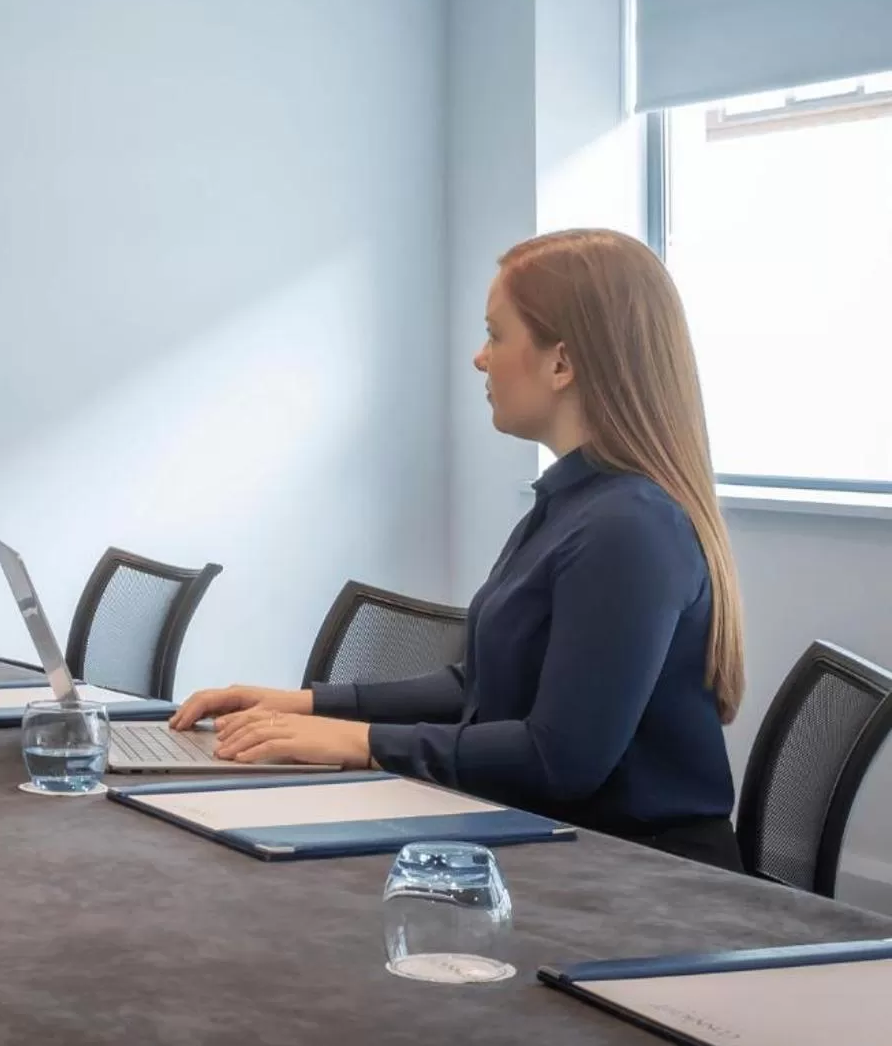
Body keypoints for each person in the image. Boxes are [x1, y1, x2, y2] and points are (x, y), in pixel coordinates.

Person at [172, 229, 747, 870]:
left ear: (562, 362)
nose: (479, 358)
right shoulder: (573, 503)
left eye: (496, 336)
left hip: (646, 881)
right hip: (561, 851)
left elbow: (560, 760)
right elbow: (481, 687)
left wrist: (359, 742)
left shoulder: (629, 526)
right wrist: (303, 704)